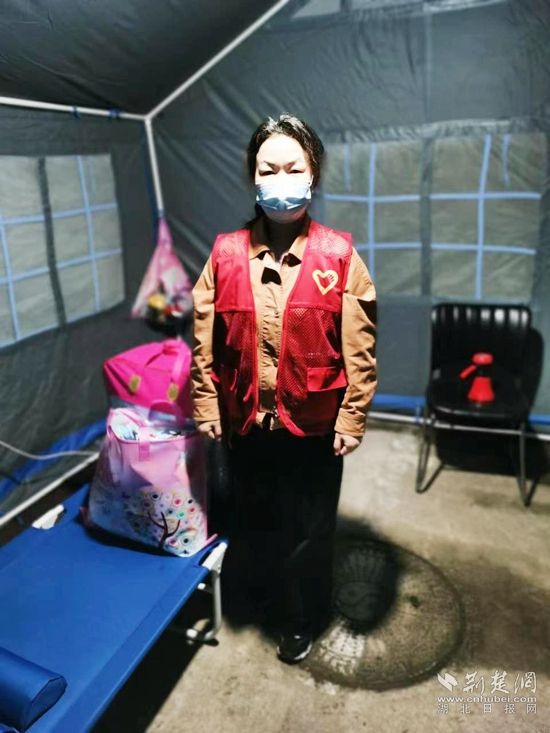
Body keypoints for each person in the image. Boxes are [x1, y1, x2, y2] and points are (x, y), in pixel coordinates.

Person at [191, 114, 377, 665]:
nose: (280, 180)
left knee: (309, 529)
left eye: (293, 168)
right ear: (252, 177)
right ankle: (265, 597)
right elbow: (204, 339)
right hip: (245, 421)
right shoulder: (225, 254)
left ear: (313, 173)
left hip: (314, 425)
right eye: (267, 169)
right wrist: (207, 403)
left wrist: (352, 415)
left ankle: (301, 618)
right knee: (257, 517)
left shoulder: (339, 255)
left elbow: (360, 347)